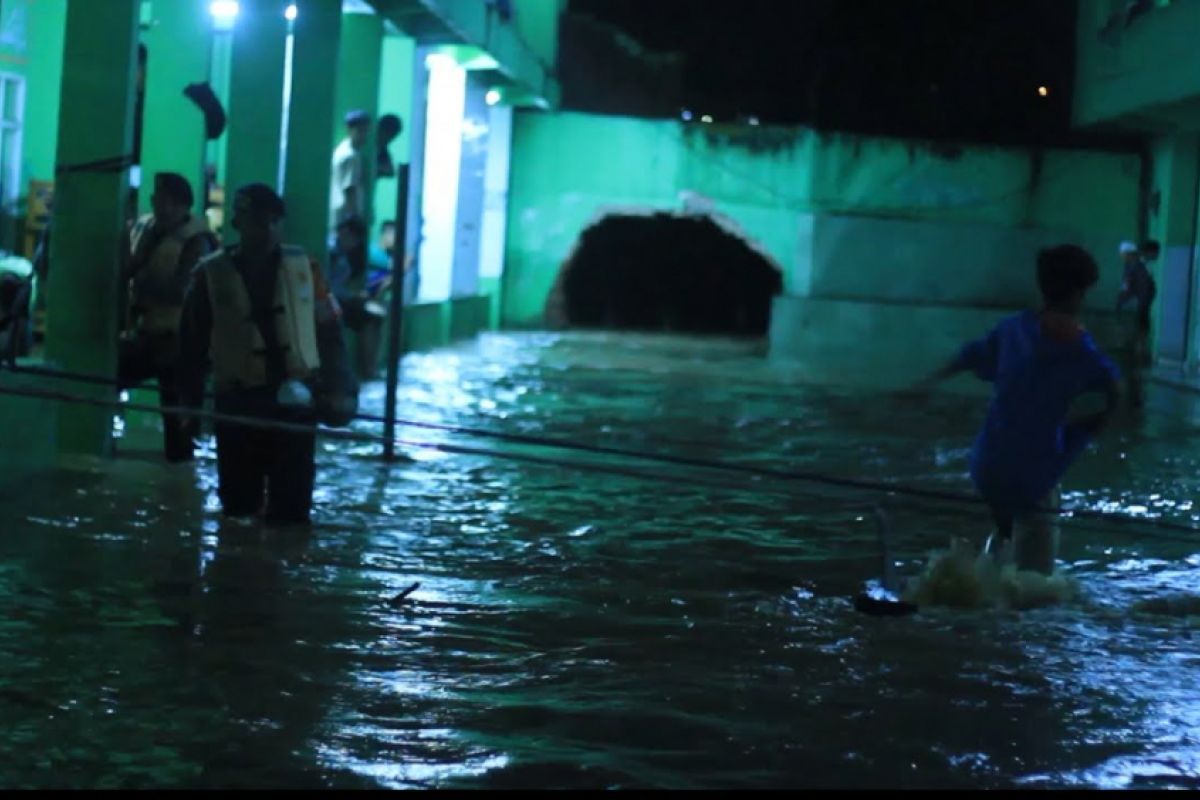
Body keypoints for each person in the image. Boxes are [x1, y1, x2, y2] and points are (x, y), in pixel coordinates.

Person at [914, 245, 1121, 575]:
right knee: (1033, 589)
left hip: (987, 466)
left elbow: (968, 356)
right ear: (1082, 293)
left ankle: (984, 578)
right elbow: (1114, 394)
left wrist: (926, 382)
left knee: (1006, 536)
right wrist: (1083, 430)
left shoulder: (1013, 329)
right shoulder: (1084, 353)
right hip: (1032, 476)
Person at [178, 184, 358, 526]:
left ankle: (281, 571)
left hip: (296, 403)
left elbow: (330, 331)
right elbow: (191, 345)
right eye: (258, 220)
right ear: (238, 222)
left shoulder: (306, 268)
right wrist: (189, 403)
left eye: (274, 221)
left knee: (291, 514)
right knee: (238, 511)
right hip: (237, 403)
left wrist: (341, 387)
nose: (267, 229)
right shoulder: (209, 275)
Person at [118, 172, 218, 463]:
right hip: (150, 335)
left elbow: (181, 291)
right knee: (109, 378)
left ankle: (180, 484)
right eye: (158, 201)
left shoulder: (197, 241)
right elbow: (130, 269)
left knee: (179, 428)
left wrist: (142, 281)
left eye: (170, 203)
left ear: (184, 206)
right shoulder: (148, 228)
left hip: (182, 346)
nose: (162, 208)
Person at [328, 215, 385, 380]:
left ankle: (370, 367)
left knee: (374, 317)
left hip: (340, 300)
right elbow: (329, 286)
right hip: (330, 302)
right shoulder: (331, 252)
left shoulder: (343, 256)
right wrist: (352, 297)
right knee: (369, 317)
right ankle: (368, 369)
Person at [1116, 240, 1158, 408]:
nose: (1121, 257)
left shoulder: (1136, 268)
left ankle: (1134, 375)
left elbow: (1140, 291)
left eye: (1122, 254)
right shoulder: (1136, 267)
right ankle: (1133, 375)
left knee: (1136, 341)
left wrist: (1132, 307)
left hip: (1135, 310)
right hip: (1135, 309)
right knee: (1135, 341)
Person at [330, 109, 371, 230]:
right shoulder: (350, 155)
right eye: (360, 131)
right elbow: (350, 190)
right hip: (346, 219)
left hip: (338, 214)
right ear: (349, 130)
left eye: (366, 131)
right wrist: (355, 220)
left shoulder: (341, 150)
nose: (364, 135)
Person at [376, 114, 403, 178]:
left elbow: (391, 171)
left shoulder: (383, 150)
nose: (391, 140)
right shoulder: (365, 142)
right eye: (389, 134)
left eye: (393, 137)